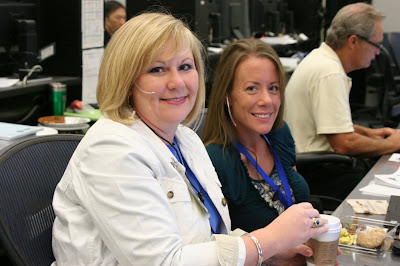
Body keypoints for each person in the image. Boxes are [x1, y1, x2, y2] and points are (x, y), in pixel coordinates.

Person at [51, 12, 331, 266]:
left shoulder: (185, 139)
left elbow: (200, 237)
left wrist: (269, 250)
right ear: (126, 80)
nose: (178, 82)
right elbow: (164, 262)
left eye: (185, 66)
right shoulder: (112, 149)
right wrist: (265, 242)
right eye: (157, 69)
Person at [283, 3, 400, 200]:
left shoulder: (320, 59)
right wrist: (392, 144)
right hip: (320, 171)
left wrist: (371, 133)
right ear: (353, 41)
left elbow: (331, 126)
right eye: (376, 44)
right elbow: (344, 144)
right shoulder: (329, 73)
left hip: (312, 163)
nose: (378, 52)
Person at [202, 38, 310, 233]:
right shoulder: (215, 160)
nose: (267, 100)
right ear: (227, 95)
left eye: (273, 88)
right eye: (252, 88)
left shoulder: (279, 134)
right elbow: (214, 242)